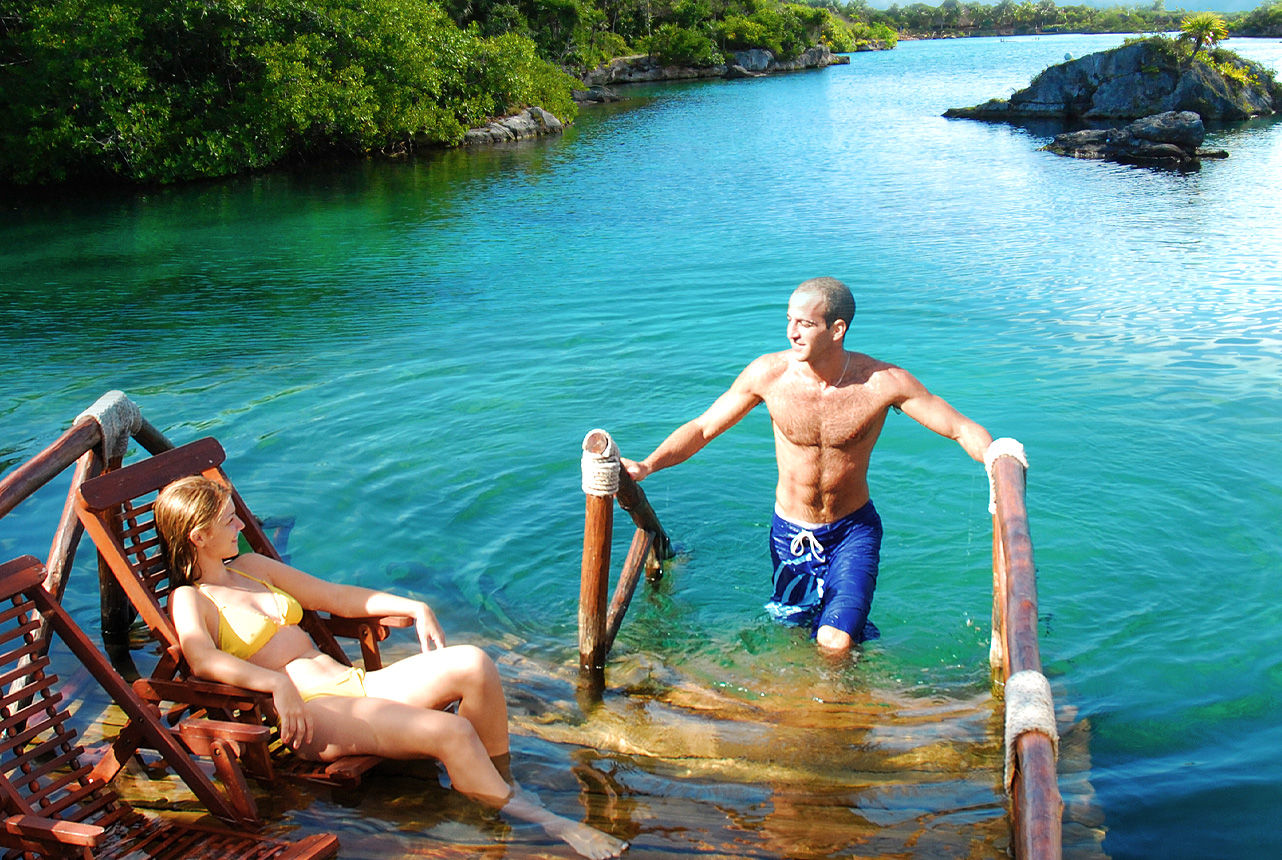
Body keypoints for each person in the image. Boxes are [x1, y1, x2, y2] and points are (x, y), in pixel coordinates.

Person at [154, 475, 626, 859]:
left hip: (355, 685)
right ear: (198, 536)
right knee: (451, 733)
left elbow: (334, 596)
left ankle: (501, 788)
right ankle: (552, 823)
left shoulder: (253, 566)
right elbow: (202, 657)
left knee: (474, 663)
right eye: (227, 518)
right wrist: (276, 684)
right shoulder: (191, 599)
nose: (240, 521)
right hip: (318, 712)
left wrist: (415, 606)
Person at [622, 277, 993, 655]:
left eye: (805, 324)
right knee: (792, 634)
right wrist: (648, 465)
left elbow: (959, 427)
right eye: (789, 320)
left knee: (835, 641)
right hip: (789, 533)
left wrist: (997, 457)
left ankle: (841, 706)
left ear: (837, 329)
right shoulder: (768, 376)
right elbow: (702, 428)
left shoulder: (882, 383)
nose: (791, 333)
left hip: (853, 531)